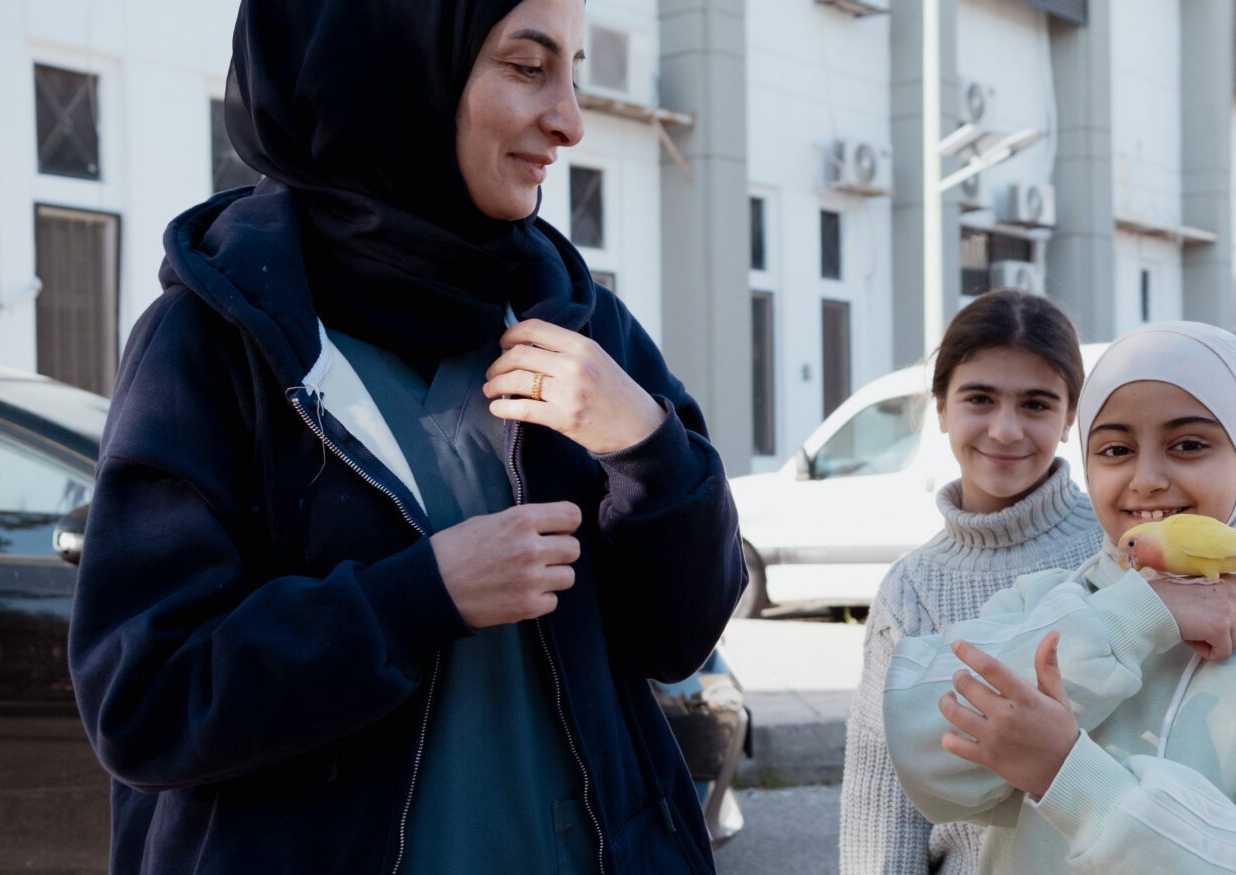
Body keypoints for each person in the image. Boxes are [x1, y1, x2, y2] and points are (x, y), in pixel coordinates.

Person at [66, 1, 745, 872]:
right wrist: (418, 597)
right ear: (388, 68)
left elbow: (683, 634)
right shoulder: (212, 344)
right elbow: (145, 700)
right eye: (528, 67)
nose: (570, 121)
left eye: (574, 72)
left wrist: (647, 447)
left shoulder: (575, 320)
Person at [882, 322, 1236, 873]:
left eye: (1188, 445)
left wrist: (1070, 778)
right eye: (1116, 449)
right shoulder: (1051, 600)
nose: (1146, 479)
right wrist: (1131, 618)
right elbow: (922, 749)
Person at [838, 290, 1104, 874]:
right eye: (979, 399)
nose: (1005, 431)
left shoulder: (1114, 549)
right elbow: (882, 792)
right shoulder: (910, 589)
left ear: (1070, 418)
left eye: (1036, 404)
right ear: (940, 408)